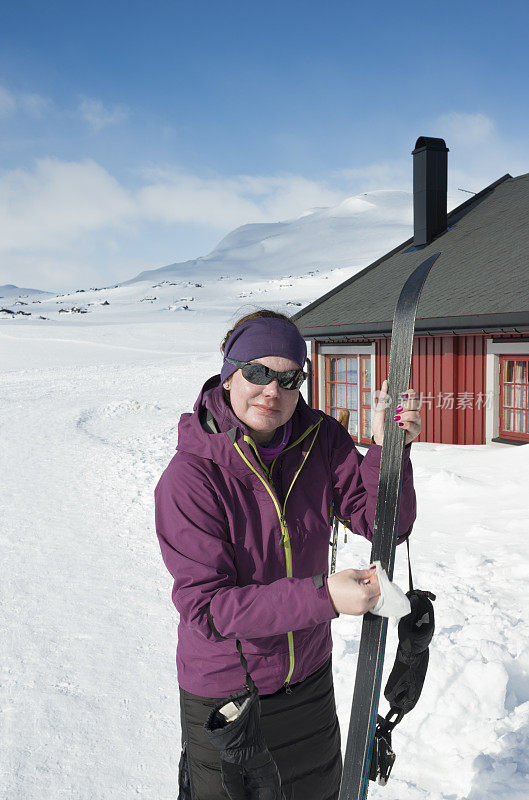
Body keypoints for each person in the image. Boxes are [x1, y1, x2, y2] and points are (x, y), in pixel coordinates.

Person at [154, 310, 420, 800]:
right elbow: (207, 609)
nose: (271, 391)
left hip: (310, 684)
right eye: (256, 372)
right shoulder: (191, 477)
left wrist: (389, 449)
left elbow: (388, 525)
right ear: (229, 373)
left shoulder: (320, 440)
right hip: (230, 695)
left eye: (288, 377)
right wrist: (324, 597)